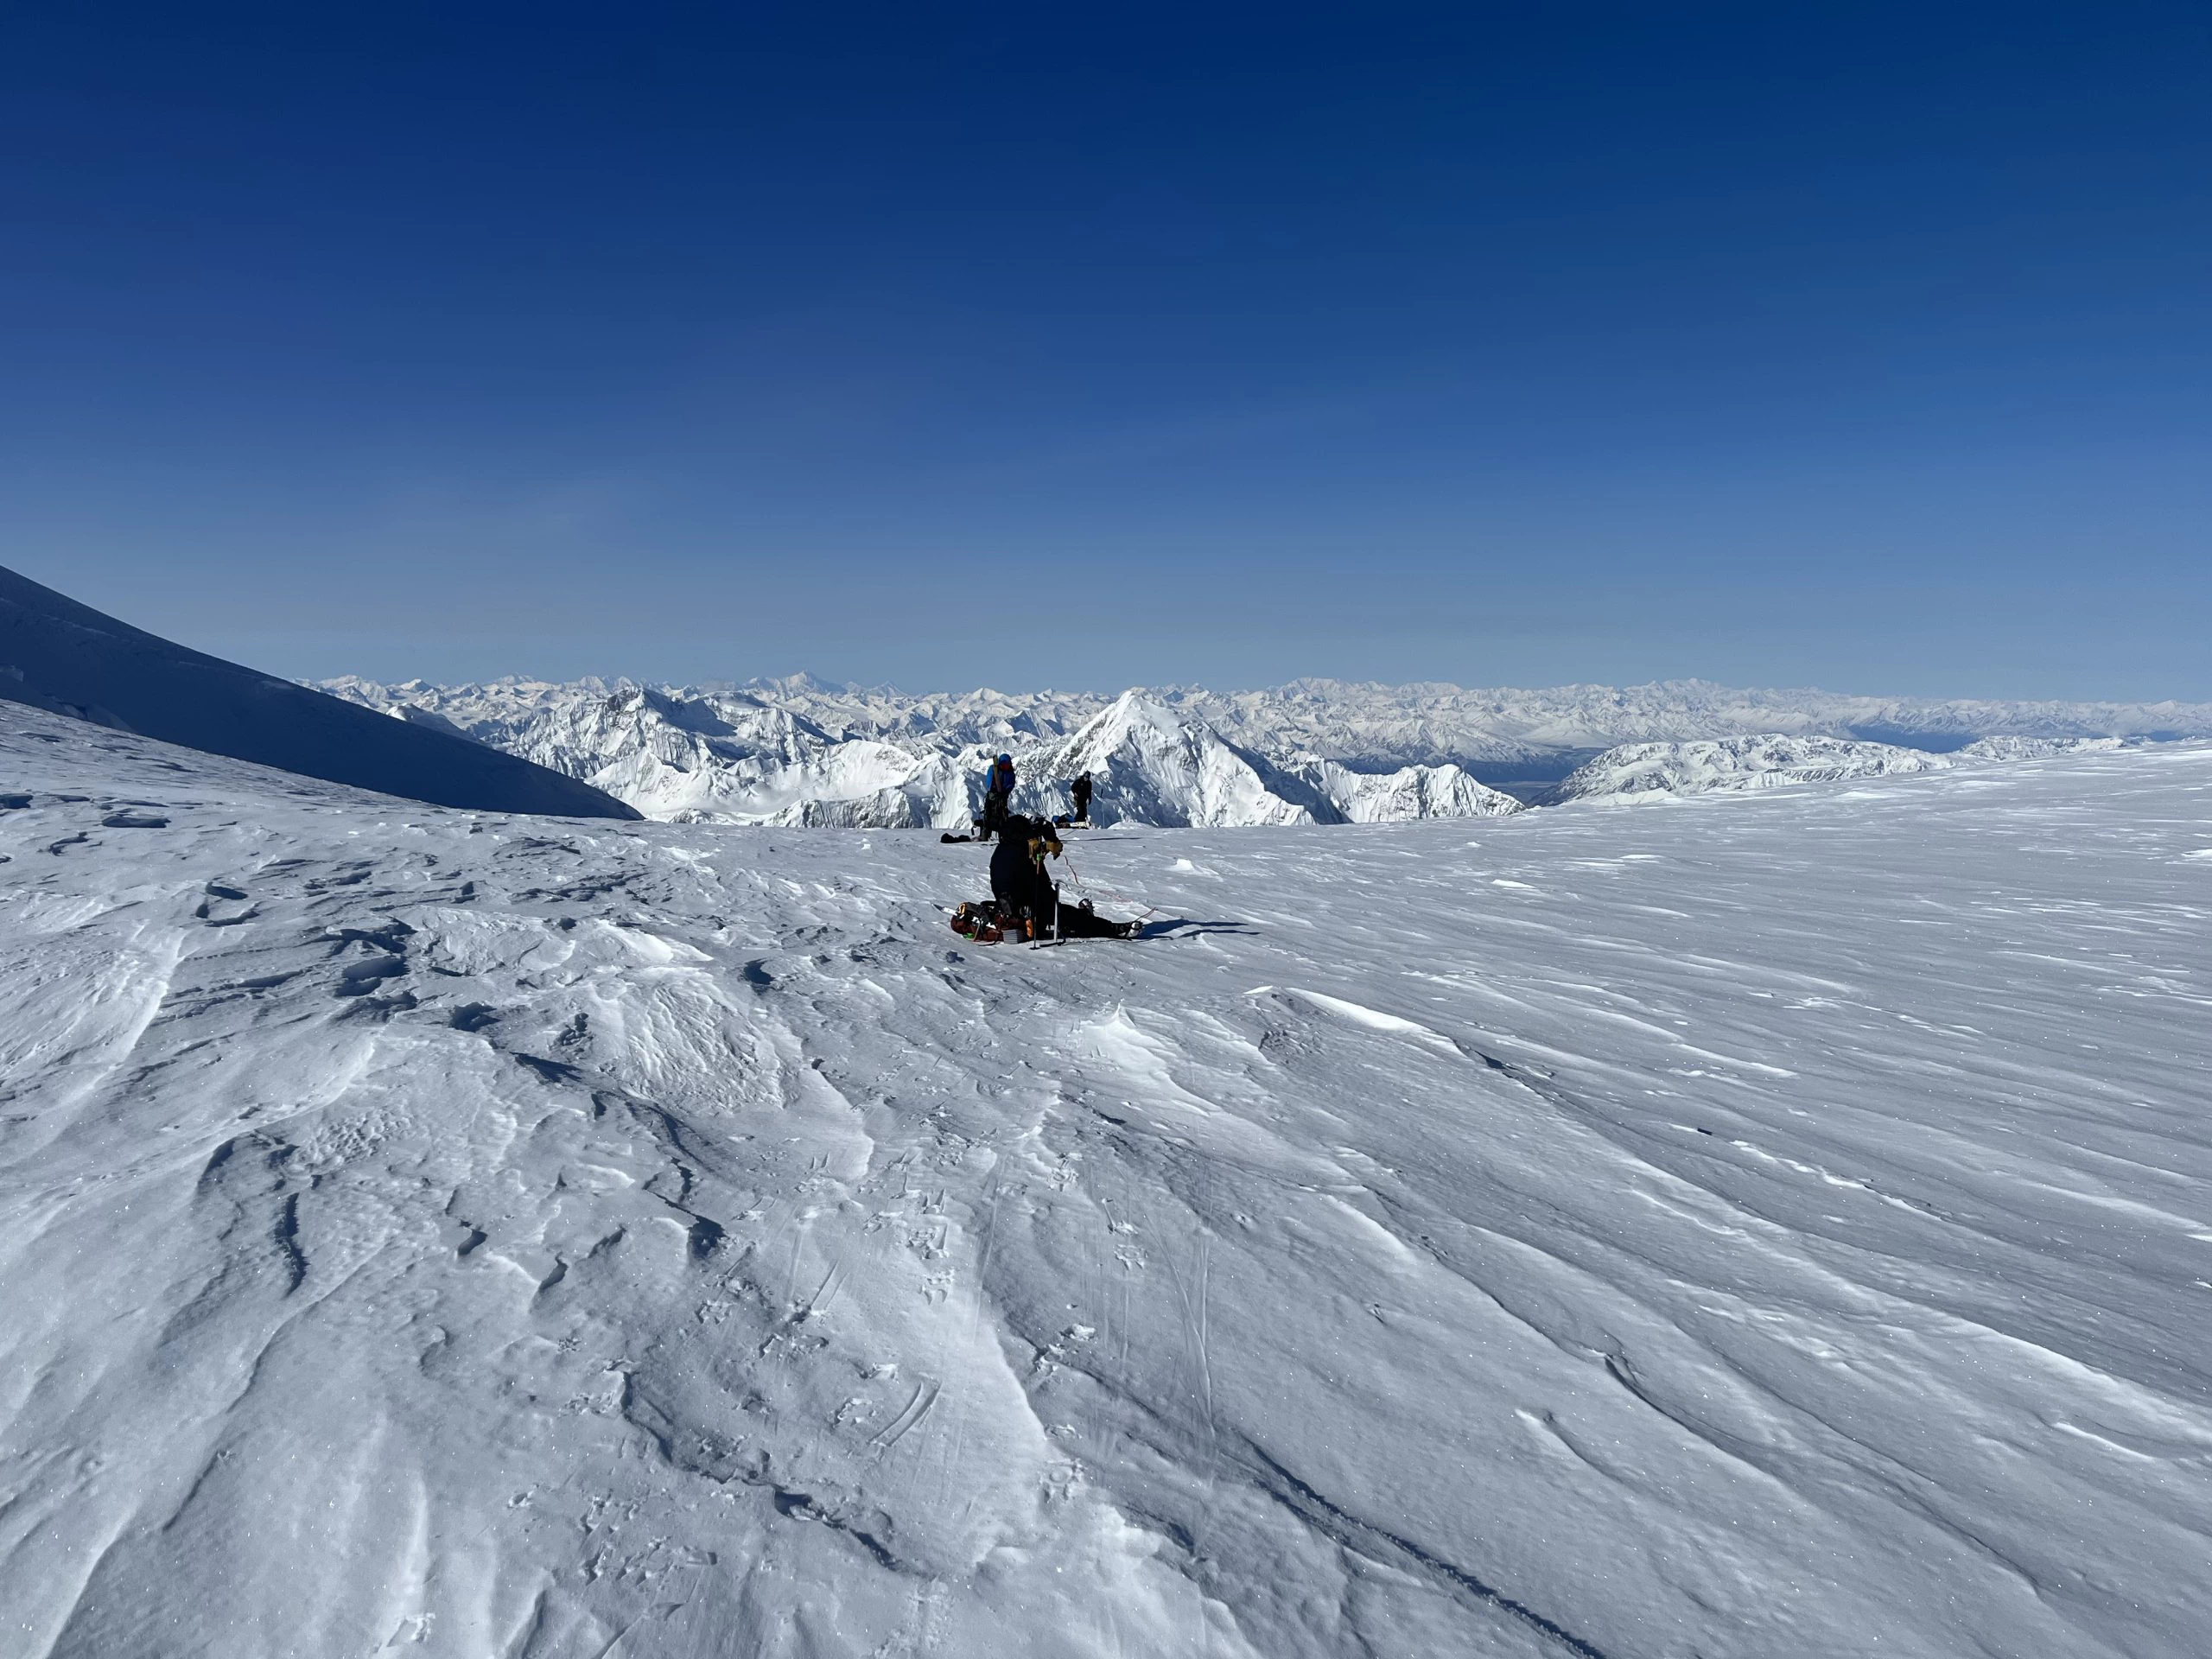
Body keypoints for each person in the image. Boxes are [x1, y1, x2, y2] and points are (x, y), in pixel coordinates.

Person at [988, 815, 1135, 939]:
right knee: (1065, 915)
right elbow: (1042, 887)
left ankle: (1080, 917)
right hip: (1032, 910)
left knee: (1059, 912)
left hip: (1010, 909)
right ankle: (1111, 929)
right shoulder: (1025, 854)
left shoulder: (1003, 851)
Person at [977, 752, 1016, 841]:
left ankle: (1003, 835)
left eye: (1008, 764)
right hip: (993, 796)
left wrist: (1005, 791)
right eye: (1005, 764)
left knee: (1002, 815)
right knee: (988, 814)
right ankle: (986, 833)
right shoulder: (994, 769)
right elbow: (989, 781)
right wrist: (993, 789)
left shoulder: (1010, 772)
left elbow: (1011, 783)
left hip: (1003, 797)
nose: (1006, 766)